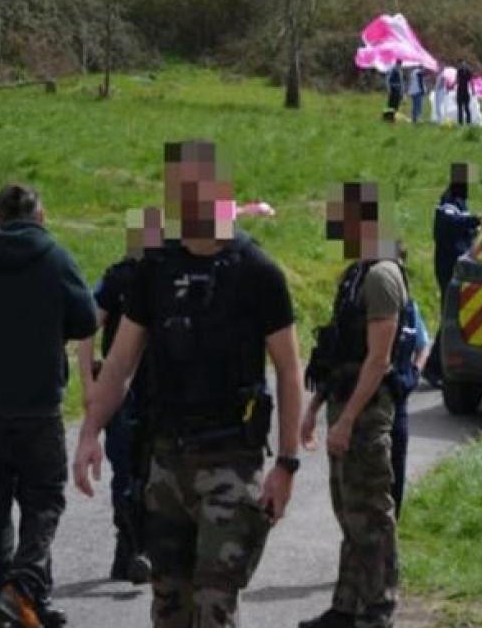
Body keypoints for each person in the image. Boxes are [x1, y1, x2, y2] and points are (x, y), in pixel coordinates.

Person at [73, 140, 304, 628]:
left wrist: (286, 463)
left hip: (231, 460)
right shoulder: (155, 269)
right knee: (169, 607)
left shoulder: (257, 272)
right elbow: (120, 363)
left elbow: (288, 368)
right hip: (166, 461)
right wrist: (90, 431)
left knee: (214, 604)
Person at [0, 184, 97, 628]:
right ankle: (25, 588)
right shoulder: (55, 258)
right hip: (40, 405)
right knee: (44, 501)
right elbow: (85, 318)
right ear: (38, 215)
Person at [299, 182, 405, 628]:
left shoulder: (382, 277)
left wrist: (347, 420)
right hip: (344, 404)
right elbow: (339, 351)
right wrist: (315, 406)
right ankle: (346, 606)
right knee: (349, 512)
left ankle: (378, 607)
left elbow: (379, 359)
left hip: (366, 412)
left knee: (372, 515)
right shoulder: (355, 274)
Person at [75, 208, 165, 586]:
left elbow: (86, 329)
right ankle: (135, 547)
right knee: (134, 471)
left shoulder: (145, 277)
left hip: (150, 390)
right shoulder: (126, 279)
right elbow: (86, 326)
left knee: (138, 471)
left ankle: (135, 548)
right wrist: (90, 385)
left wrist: (88, 383)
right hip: (129, 390)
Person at [424, 166, 480, 387]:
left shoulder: (459, 202)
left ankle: (437, 365)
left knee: (454, 315)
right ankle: (433, 366)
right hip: (448, 268)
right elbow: (451, 224)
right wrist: (475, 220)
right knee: (451, 315)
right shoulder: (448, 203)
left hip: (457, 268)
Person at [392, 293, 431, 517]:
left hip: (397, 404)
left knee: (395, 476)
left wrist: (414, 373)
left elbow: (423, 345)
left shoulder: (408, 306)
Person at [455, 62, 474, 126]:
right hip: (465, 91)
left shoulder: (459, 71)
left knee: (461, 108)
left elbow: (456, 81)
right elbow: (471, 82)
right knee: (466, 107)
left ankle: (461, 123)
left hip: (460, 91)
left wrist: (452, 86)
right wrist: (473, 90)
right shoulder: (468, 72)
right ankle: (468, 122)